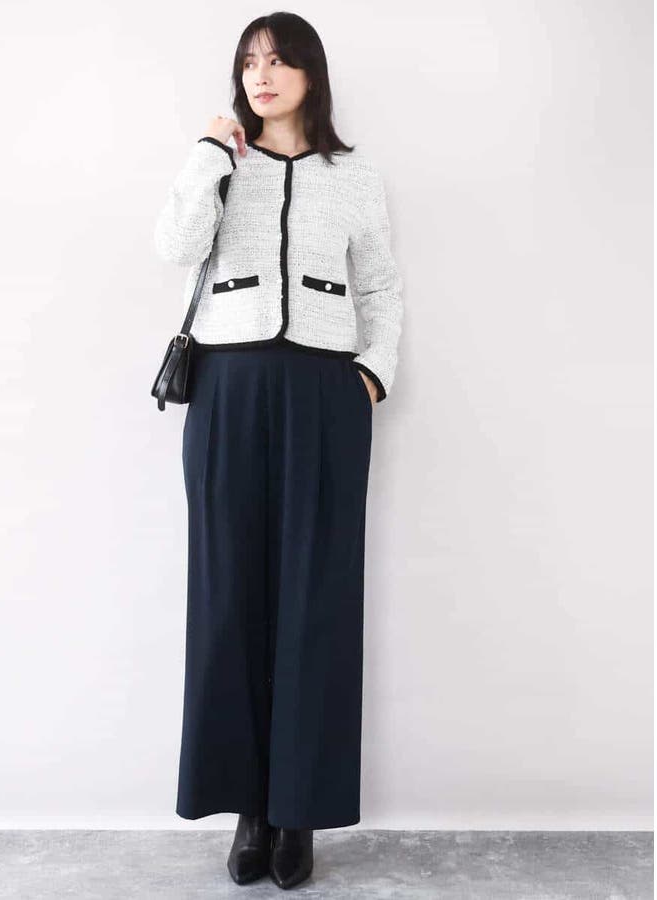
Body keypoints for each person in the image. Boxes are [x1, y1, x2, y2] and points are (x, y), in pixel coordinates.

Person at [153, 11, 404, 890]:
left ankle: (299, 811)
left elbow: (381, 285)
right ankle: (248, 810)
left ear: (310, 74)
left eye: (279, 60)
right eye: (249, 62)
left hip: (326, 394)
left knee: (316, 599)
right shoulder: (222, 162)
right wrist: (207, 154)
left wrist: (371, 374)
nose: (261, 75)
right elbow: (174, 248)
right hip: (228, 388)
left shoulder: (355, 175)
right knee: (230, 596)